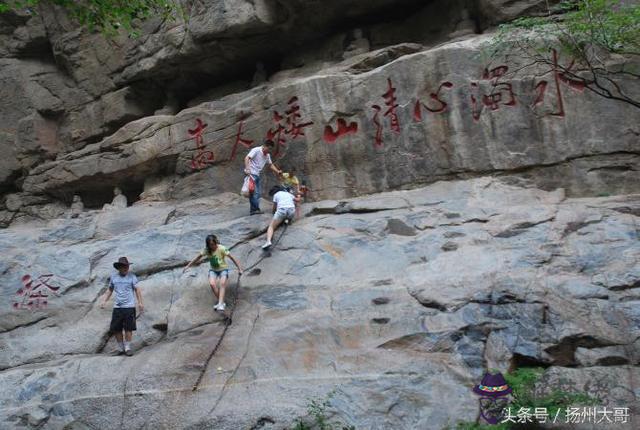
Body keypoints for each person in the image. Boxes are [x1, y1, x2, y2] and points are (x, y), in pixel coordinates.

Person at [183, 234, 243, 311]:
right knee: (212, 284)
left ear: (216, 242)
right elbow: (197, 257)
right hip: (213, 270)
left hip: (223, 269)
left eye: (213, 244)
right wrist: (188, 266)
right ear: (208, 245)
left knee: (222, 283)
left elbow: (232, 258)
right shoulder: (207, 250)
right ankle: (221, 303)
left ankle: (220, 304)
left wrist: (239, 268)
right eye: (210, 245)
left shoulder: (222, 248)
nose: (212, 246)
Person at [100, 257, 143, 356]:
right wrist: (104, 300)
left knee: (128, 328)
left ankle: (127, 348)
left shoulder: (132, 276)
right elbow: (110, 289)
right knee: (116, 328)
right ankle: (120, 348)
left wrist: (140, 302)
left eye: (127, 266)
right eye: (124, 266)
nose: (126, 268)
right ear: (119, 267)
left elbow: (137, 290)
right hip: (118, 307)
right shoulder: (114, 277)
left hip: (129, 307)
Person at [244, 140, 282, 215]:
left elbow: (270, 164)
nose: (269, 151)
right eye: (269, 149)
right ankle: (255, 210)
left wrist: (277, 171)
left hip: (257, 175)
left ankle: (253, 210)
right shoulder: (256, 150)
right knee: (255, 192)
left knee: (255, 193)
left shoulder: (267, 155)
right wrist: (247, 168)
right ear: (264, 146)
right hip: (251, 174)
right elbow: (247, 158)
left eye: (271, 149)